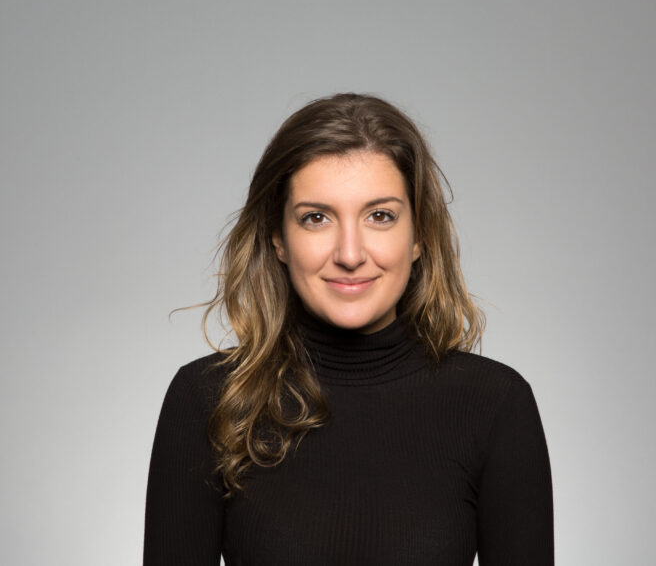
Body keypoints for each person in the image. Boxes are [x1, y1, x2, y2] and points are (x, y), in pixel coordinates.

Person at [144, 93, 553, 565]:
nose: (351, 253)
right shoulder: (207, 398)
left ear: (419, 235)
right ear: (278, 237)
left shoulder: (495, 404)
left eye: (380, 216)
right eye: (316, 218)